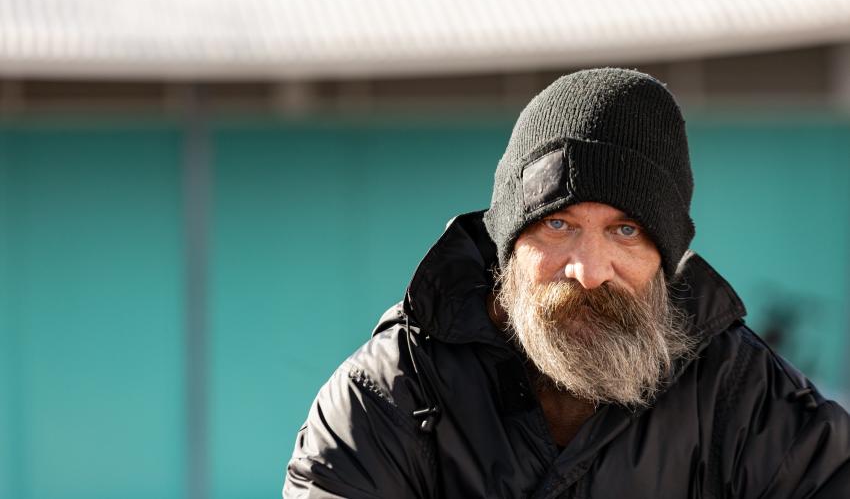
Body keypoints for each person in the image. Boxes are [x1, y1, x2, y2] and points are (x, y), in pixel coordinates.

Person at [283, 68, 850, 498]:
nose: (588, 269)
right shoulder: (389, 393)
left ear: (665, 256)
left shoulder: (742, 396)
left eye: (625, 231)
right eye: (558, 225)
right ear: (507, 245)